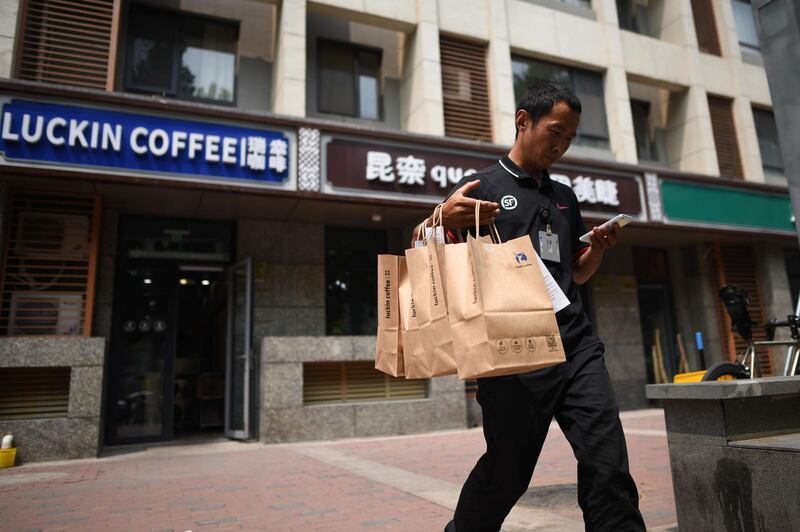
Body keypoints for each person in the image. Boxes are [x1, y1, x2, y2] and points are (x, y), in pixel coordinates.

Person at [436, 83, 646, 532]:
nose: (561, 145)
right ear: (522, 120)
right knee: (506, 473)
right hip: (516, 356)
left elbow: (577, 273)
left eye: (569, 138)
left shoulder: (564, 197)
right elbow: (441, 262)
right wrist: (443, 218)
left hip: (577, 347)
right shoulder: (480, 186)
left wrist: (600, 250)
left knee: (607, 462)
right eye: (555, 132)